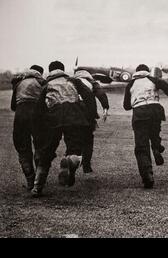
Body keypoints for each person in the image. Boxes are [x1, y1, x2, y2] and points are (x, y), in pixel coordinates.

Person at [32, 61, 97, 197]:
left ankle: (37, 186)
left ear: (50, 71)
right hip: (74, 116)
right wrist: (90, 116)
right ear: (62, 70)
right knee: (75, 148)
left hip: (53, 117)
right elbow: (89, 96)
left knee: (47, 152)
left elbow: (39, 108)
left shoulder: (47, 84)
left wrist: (40, 125)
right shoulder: (73, 81)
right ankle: (69, 161)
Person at [123, 64, 168, 189]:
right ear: (147, 71)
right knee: (154, 133)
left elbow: (126, 106)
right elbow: (165, 85)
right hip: (155, 110)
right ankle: (156, 146)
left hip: (140, 113)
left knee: (141, 146)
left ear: (136, 72)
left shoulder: (131, 84)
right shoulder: (153, 80)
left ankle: (147, 175)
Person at [10, 65, 46, 190]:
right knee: (40, 146)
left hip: (20, 116)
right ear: (40, 73)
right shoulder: (41, 82)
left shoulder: (19, 82)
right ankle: (38, 183)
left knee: (23, 148)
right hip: (37, 115)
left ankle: (30, 180)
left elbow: (13, 106)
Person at [74, 69, 110, 174]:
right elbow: (101, 94)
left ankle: (72, 163)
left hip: (73, 114)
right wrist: (105, 108)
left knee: (73, 140)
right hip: (88, 115)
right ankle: (86, 165)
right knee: (88, 140)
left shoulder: (71, 82)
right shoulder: (92, 83)